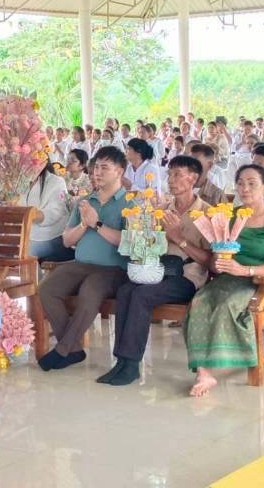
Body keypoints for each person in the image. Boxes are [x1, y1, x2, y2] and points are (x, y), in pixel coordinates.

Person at [101, 156, 213, 387]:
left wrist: (179, 240)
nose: (170, 180)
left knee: (142, 295)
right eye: (169, 174)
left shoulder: (207, 213)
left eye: (177, 174)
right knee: (125, 291)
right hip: (158, 270)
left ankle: (132, 364)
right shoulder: (161, 210)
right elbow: (148, 243)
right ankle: (121, 361)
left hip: (187, 276)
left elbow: (210, 261)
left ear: (193, 178)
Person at [185, 163, 264, 396]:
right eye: (241, 183)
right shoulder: (228, 217)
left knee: (226, 305)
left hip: (259, 281)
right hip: (227, 278)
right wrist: (218, 262)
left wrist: (244, 270)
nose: (245, 189)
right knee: (199, 302)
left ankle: (214, 365)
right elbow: (216, 256)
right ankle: (203, 371)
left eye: (252, 183)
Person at [38, 146, 132, 371]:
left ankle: (62, 350)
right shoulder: (86, 201)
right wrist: (84, 223)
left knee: (90, 290)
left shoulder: (130, 203)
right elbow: (67, 241)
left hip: (113, 269)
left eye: (104, 168)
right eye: (96, 167)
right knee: (46, 288)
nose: (97, 172)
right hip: (80, 264)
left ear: (119, 171)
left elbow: (128, 242)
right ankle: (73, 349)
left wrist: (97, 224)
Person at [25, 162, 73, 262]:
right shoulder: (18, 181)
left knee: (22, 252)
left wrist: (32, 215)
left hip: (50, 237)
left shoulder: (57, 181)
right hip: (23, 236)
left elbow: (56, 212)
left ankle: (36, 277)